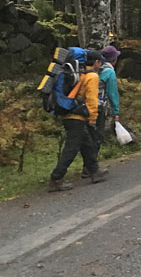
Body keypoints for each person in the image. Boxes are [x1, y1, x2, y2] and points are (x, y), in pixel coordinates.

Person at [49, 50, 107, 191]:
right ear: (96, 63)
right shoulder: (92, 76)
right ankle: (56, 178)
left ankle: (94, 171)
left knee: (86, 144)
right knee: (71, 148)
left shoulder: (80, 74)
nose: (101, 65)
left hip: (69, 114)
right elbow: (92, 99)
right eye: (100, 63)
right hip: (77, 117)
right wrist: (93, 117)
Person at [90, 45, 121, 166]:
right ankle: (90, 166)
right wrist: (116, 112)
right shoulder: (110, 73)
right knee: (97, 137)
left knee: (88, 137)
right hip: (99, 107)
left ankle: (88, 166)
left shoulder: (93, 69)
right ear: (113, 60)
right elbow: (113, 94)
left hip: (85, 105)